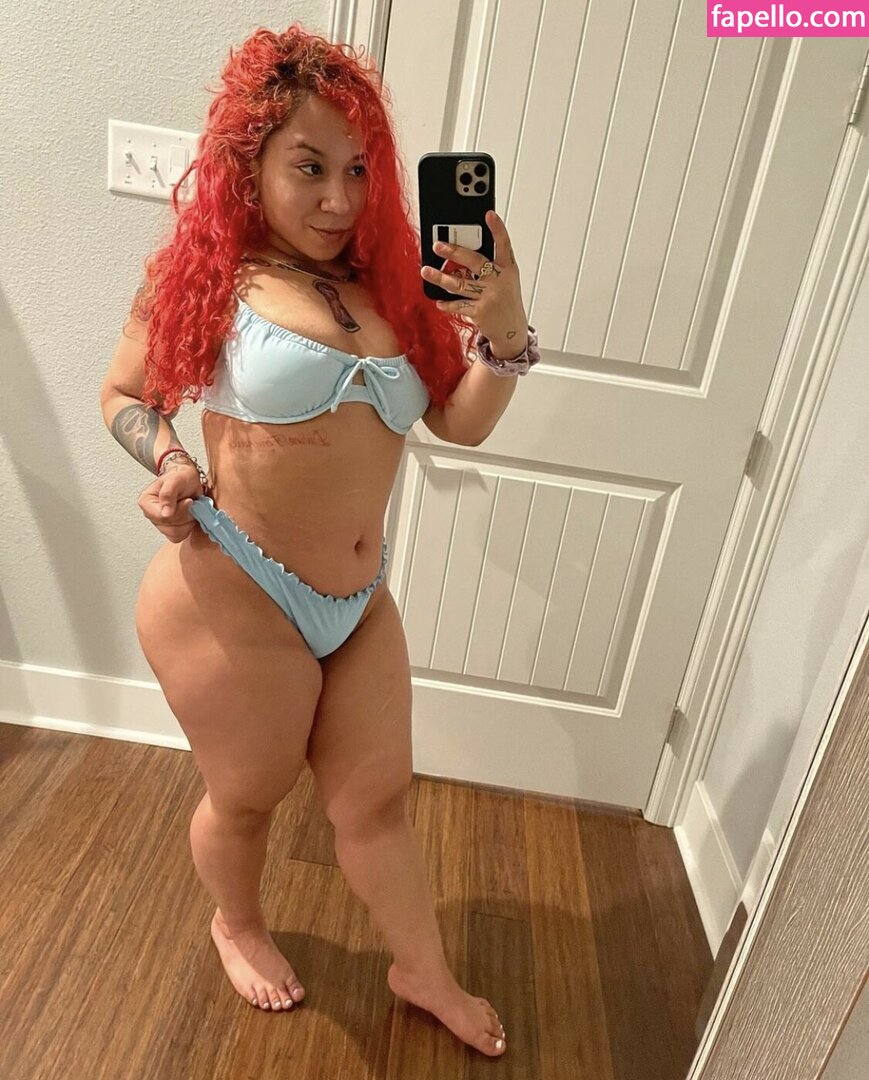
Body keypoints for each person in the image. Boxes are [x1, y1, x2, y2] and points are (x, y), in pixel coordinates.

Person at [100, 22, 538, 1059]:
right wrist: (169, 460)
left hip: (355, 601)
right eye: (308, 167)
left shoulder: (393, 287)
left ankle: (421, 969)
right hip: (232, 590)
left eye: (356, 169)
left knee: (377, 803)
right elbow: (124, 396)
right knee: (246, 798)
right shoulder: (211, 275)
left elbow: (460, 423)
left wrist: (508, 329)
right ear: (249, 164)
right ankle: (236, 922)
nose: (338, 199)